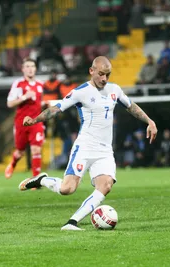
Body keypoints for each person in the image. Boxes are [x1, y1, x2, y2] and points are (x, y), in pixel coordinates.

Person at [18, 56, 158, 230]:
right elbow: (57, 108)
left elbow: (131, 106)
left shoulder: (114, 90)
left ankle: (72, 222)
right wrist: (35, 120)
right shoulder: (81, 92)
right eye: (100, 74)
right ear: (91, 71)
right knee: (67, 189)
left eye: (107, 74)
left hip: (105, 151)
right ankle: (43, 180)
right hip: (84, 147)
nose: (104, 79)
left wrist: (150, 121)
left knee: (106, 185)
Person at [4, 58, 45, 179]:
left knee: (36, 150)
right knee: (20, 152)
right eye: (27, 66)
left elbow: (41, 102)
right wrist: (24, 97)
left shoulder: (41, 85)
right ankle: (12, 164)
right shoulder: (19, 84)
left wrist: (44, 104)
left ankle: (35, 180)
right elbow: (9, 103)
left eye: (32, 66)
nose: (30, 69)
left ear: (35, 68)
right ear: (22, 69)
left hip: (36, 122)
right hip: (21, 123)